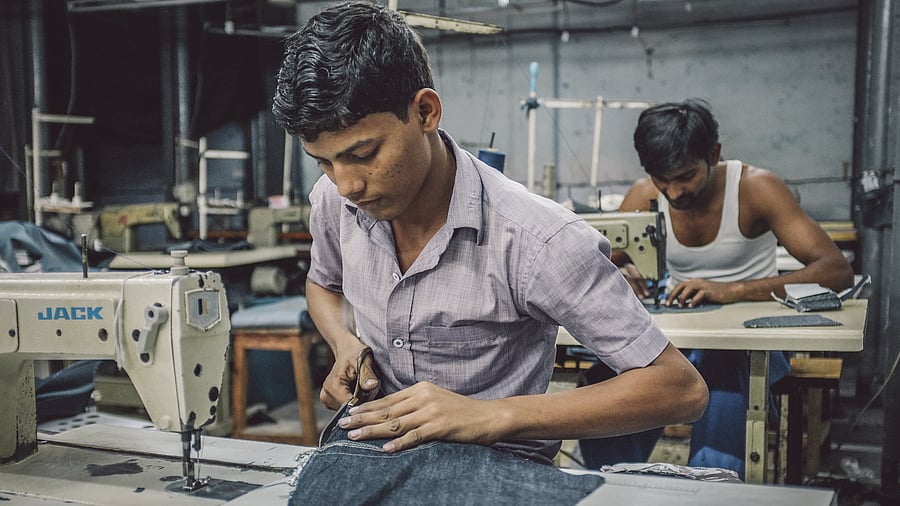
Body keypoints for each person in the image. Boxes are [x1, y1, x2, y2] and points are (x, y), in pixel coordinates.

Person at [271, 0, 708, 470]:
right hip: (377, 453)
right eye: (325, 162)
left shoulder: (538, 241)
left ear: (425, 111)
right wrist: (344, 343)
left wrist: (492, 415)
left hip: (495, 471)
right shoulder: (335, 201)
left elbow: (679, 388)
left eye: (364, 153)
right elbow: (322, 283)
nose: (347, 185)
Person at [579, 98, 855, 477]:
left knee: (721, 377)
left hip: (752, 346)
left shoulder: (756, 188)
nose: (673, 194)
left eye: (686, 177)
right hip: (681, 339)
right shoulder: (645, 194)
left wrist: (733, 290)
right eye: (663, 180)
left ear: (714, 153)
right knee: (608, 379)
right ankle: (607, 484)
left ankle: (713, 490)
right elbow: (598, 262)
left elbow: (836, 270)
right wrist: (624, 273)